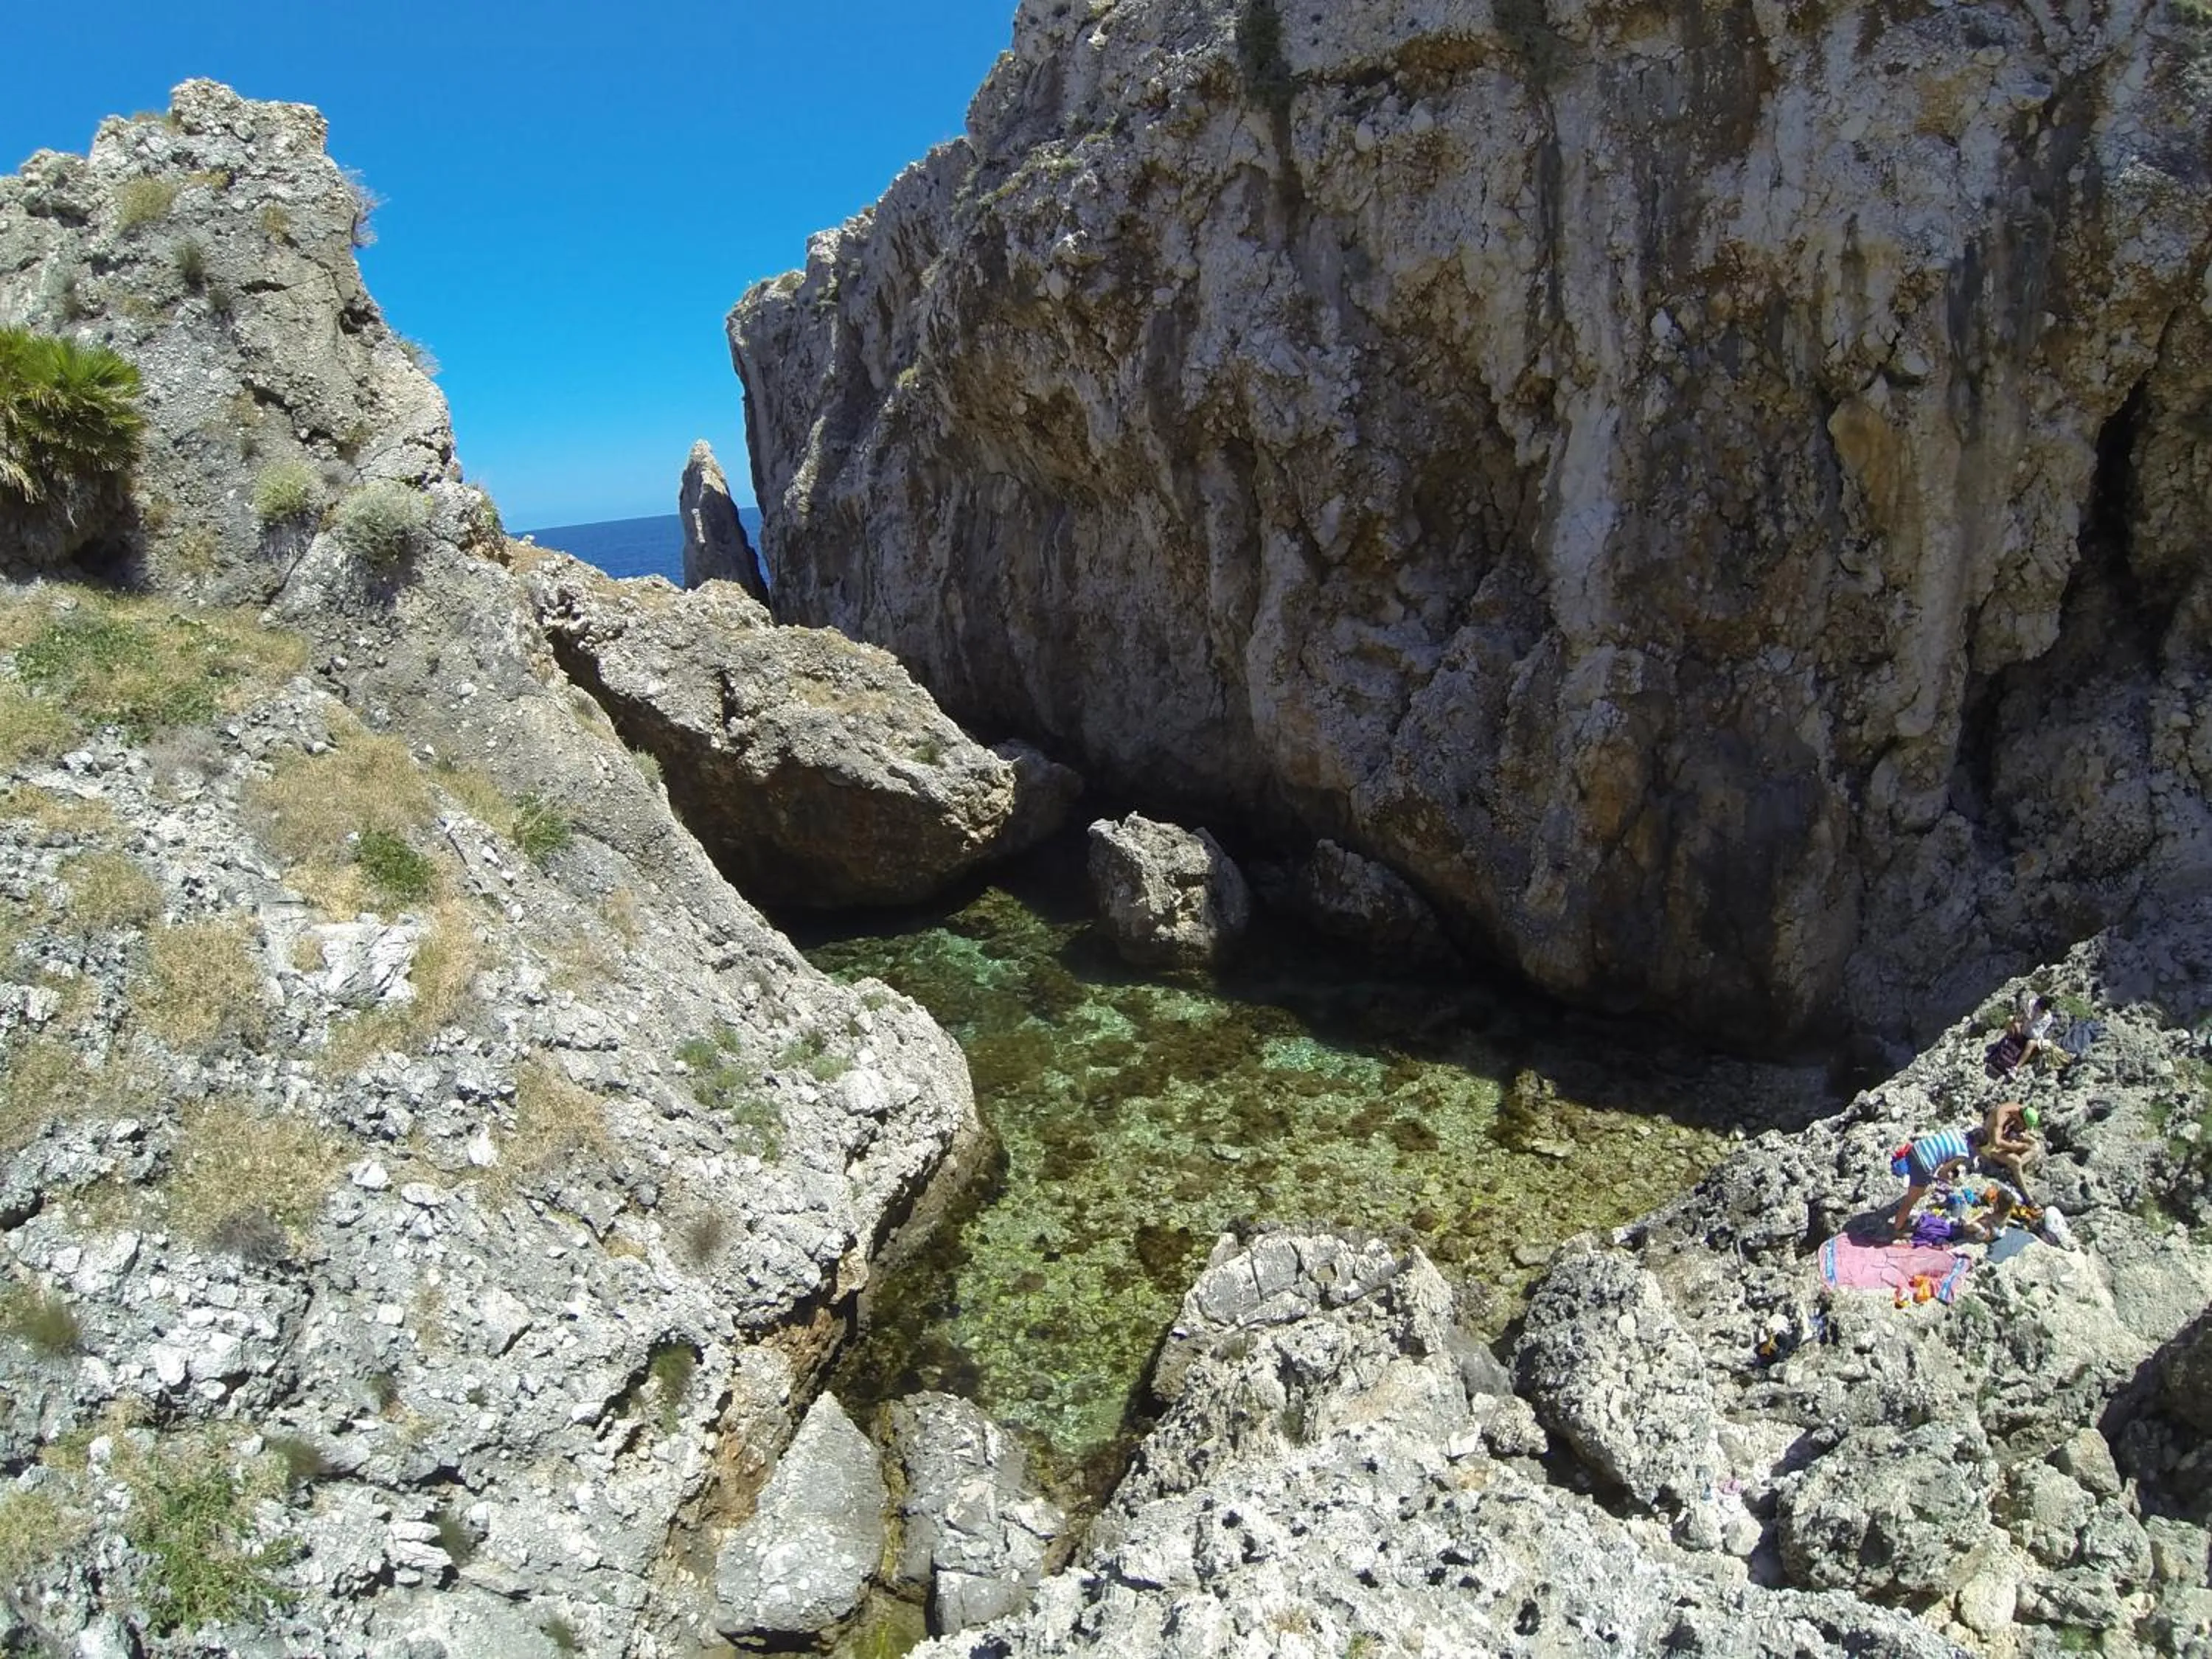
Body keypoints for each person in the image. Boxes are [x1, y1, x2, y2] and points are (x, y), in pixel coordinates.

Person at [1978, 1099, 2040, 1199]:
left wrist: (2022, 1136)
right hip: (1990, 1148)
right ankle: (2028, 1198)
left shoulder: (2019, 1111)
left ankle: (2010, 1171)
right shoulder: (2001, 1116)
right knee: (2016, 1161)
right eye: (2024, 1126)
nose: (2024, 1128)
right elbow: (1997, 1142)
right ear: (2020, 1119)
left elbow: (2023, 1132)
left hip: (2006, 1140)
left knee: (2036, 1146)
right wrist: (2015, 1146)